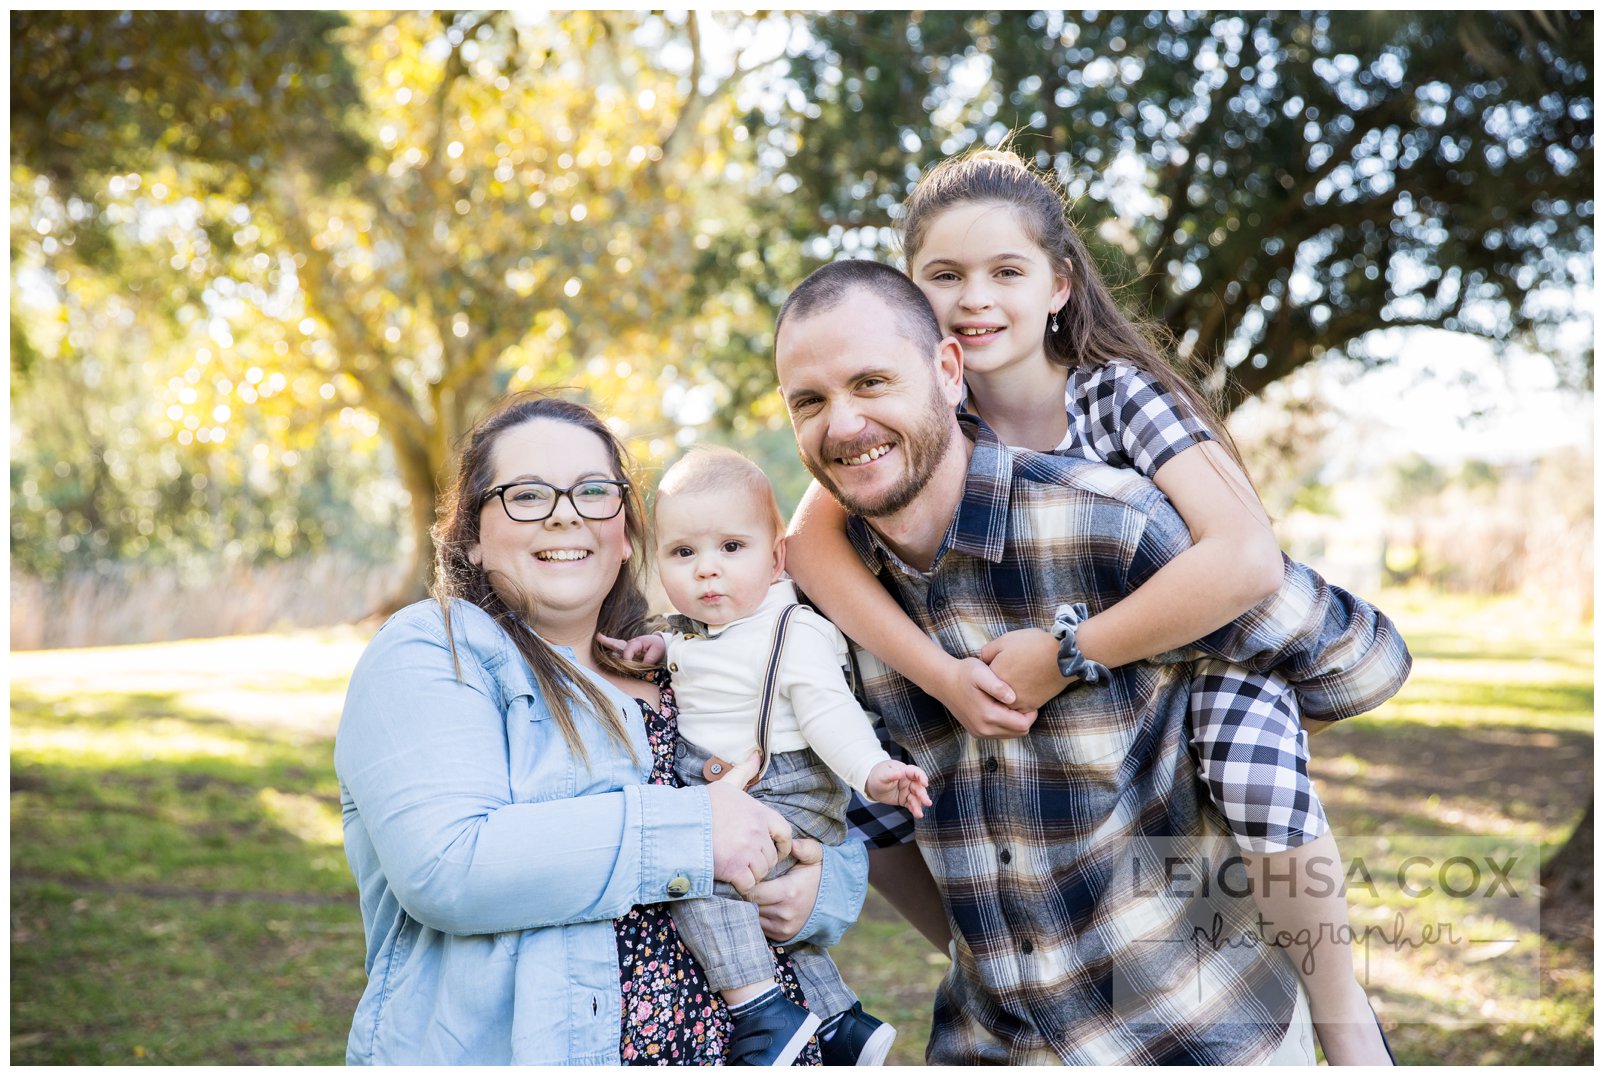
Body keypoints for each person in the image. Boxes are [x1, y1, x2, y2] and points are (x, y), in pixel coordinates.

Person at [785, 152, 1409, 1064]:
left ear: (1059, 286)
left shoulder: (1112, 396)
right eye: (945, 277)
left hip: (1199, 655)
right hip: (1020, 990)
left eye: (1006, 272)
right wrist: (947, 680)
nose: (975, 296)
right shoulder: (908, 440)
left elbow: (1242, 559)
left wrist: (1071, 653)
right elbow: (806, 548)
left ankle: (1345, 1019)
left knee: (1248, 751)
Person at [333, 393, 869, 1065]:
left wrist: (820, 891)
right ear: (471, 534)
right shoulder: (434, 650)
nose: (563, 512)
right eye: (526, 496)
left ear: (624, 532)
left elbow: (821, 817)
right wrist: (696, 832)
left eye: (592, 492)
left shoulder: (689, 664)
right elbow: (448, 865)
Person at [600, 445, 929, 1065]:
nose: (707, 571)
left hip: (791, 786)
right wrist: (653, 648)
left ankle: (762, 1011)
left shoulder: (792, 630)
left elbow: (830, 711)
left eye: (731, 548)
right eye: (683, 552)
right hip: (740, 785)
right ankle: (840, 1023)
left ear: (777, 558)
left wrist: (873, 770)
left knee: (701, 872)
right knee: (756, 900)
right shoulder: (694, 631)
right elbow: (687, 657)